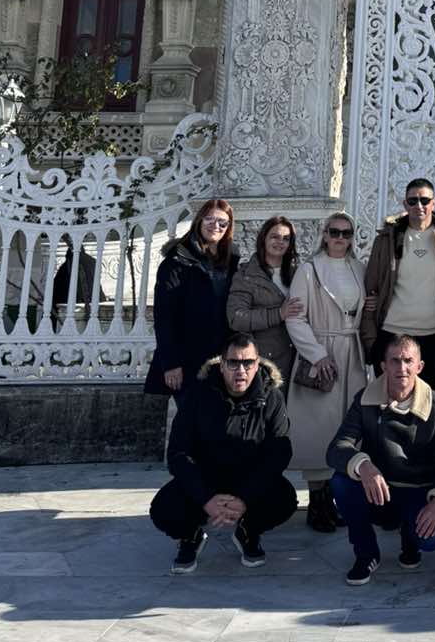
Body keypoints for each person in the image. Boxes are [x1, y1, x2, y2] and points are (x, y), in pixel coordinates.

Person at [149, 333, 296, 574]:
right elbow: (178, 453)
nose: (241, 370)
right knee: (164, 509)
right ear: (221, 364)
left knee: (284, 498)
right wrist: (206, 499)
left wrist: (245, 498)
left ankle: (248, 531)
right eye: (233, 363)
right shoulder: (198, 395)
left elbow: (279, 454)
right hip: (206, 477)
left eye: (248, 363)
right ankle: (190, 536)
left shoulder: (272, 397)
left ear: (257, 363)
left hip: (248, 478)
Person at [327, 336, 435, 583]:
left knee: (431, 540)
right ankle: (366, 553)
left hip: (418, 491)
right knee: (340, 482)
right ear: (383, 366)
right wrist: (364, 465)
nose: (402, 368)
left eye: (408, 361)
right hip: (380, 490)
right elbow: (337, 448)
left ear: (420, 366)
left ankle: (411, 540)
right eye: (395, 361)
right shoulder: (365, 399)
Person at [285, 211, 370, 534]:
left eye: (346, 233)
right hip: (321, 352)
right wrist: (317, 355)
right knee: (318, 426)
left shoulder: (358, 269)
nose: (340, 238)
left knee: (346, 426)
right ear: (324, 234)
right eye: (334, 232)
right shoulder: (308, 270)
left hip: (351, 353)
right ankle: (317, 501)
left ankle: (334, 498)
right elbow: (295, 317)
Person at [359, 179, 435, 393]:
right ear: (405, 204)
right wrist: (370, 337)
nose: (419, 205)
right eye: (413, 200)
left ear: (434, 203)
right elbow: (371, 287)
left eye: (425, 200)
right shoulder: (387, 239)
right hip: (392, 333)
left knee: (432, 404)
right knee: (392, 403)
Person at [145, 198, 239, 406]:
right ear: (199, 221)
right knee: (191, 418)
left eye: (222, 222)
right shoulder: (176, 261)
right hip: (187, 358)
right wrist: (171, 363)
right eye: (210, 219)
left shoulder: (232, 262)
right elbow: (164, 317)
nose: (216, 226)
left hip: (221, 357)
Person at [227, 215, 303, 385]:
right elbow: (236, 317)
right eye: (275, 236)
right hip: (264, 362)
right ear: (263, 239)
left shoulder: (299, 273)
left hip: (297, 358)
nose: (280, 242)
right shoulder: (246, 275)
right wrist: (278, 314)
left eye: (286, 238)